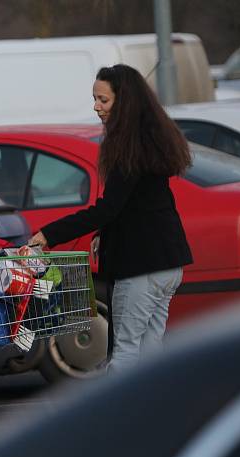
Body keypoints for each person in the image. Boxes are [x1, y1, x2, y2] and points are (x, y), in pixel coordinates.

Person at [29, 64, 193, 372]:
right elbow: (142, 204)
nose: (96, 107)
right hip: (167, 262)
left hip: (142, 267)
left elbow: (109, 207)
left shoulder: (128, 146)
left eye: (103, 100)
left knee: (125, 353)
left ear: (124, 100)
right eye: (95, 99)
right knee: (150, 352)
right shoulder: (152, 138)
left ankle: (119, 419)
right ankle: (154, 417)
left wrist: (49, 234)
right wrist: (104, 233)